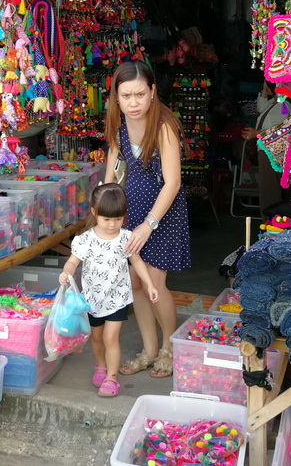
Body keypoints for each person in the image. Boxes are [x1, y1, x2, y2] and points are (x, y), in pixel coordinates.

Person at [102, 60, 190, 379]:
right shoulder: (118, 126)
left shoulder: (163, 126)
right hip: (131, 213)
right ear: (117, 97)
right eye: (126, 96)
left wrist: (148, 224)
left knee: (154, 283)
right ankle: (149, 350)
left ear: (153, 92)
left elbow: (173, 183)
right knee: (135, 282)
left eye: (140, 94)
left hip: (161, 215)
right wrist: (104, 216)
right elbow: (110, 175)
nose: (133, 102)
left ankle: (168, 346)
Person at [59, 184, 159, 397]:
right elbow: (72, 261)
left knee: (110, 338)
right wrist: (66, 272)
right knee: (96, 338)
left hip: (117, 298)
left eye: (118, 219)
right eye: (107, 219)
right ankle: (101, 365)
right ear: (94, 213)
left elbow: (138, 263)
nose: (113, 225)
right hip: (92, 300)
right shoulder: (85, 240)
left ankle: (112, 378)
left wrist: (150, 284)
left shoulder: (126, 238)